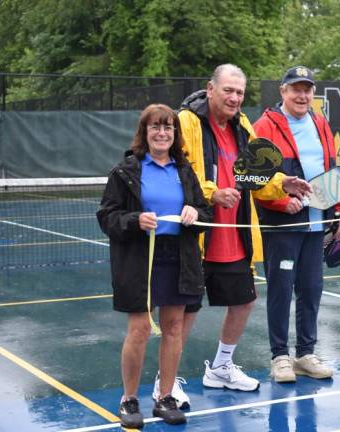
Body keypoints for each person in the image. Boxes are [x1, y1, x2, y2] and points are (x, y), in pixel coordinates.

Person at [178, 64, 310, 392]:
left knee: (243, 302)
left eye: (240, 92)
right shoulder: (186, 122)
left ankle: (221, 367)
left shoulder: (243, 127)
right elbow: (177, 173)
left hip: (235, 233)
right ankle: (166, 382)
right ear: (210, 89)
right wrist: (212, 193)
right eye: (228, 90)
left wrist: (284, 183)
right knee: (184, 310)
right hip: (195, 234)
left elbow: (256, 176)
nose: (235, 98)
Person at [97, 104, 211, 428]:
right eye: (155, 128)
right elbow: (107, 216)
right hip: (139, 259)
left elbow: (205, 213)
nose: (162, 133)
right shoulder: (126, 171)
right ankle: (129, 399)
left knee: (174, 328)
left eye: (168, 128)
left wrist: (195, 214)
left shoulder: (184, 171)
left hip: (179, 257)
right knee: (140, 329)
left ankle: (164, 398)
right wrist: (135, 220)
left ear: (174, 134)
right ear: (144, 133)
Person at [253, 66, 340, 382]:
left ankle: (306, 354)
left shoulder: (320, 123)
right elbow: (255, 178)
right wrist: (281, 201)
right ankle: (280, 357)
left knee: (311, 288)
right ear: (283, 92)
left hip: (316, 223)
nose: (302, 95)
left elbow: (331, 170)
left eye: (307, 89)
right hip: (283, 224)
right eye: (296, 89)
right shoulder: (264, 125)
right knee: (281, 290)